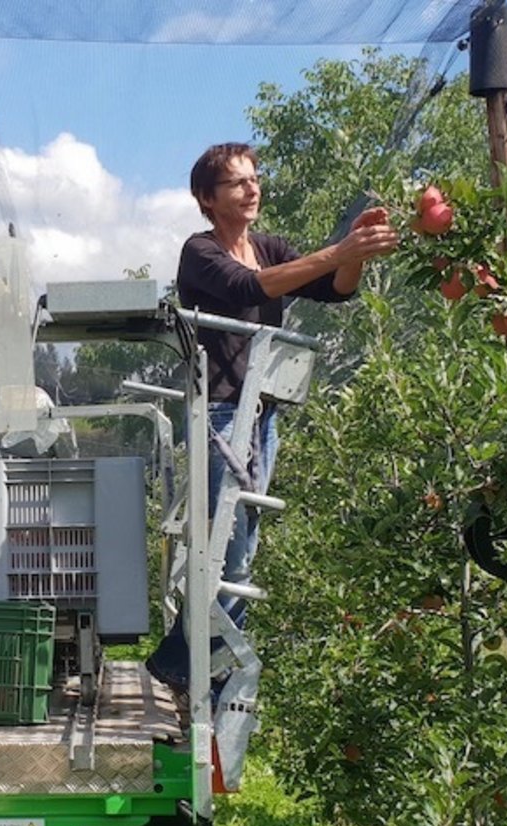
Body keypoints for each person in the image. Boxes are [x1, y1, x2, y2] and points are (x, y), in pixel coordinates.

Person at [146, 142, 399, 693]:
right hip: (218, 413)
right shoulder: (201, 251)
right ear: (207, 199)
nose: (253, 188)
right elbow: (247, 288)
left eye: (255, 178)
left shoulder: (269, 246)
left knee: (243, 547)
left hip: (260, 415)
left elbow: (336, 291)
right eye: (237, 183)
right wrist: (339, 249)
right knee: (226, 547)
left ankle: (186, 662)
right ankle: (196, 668)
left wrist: (353, 251)